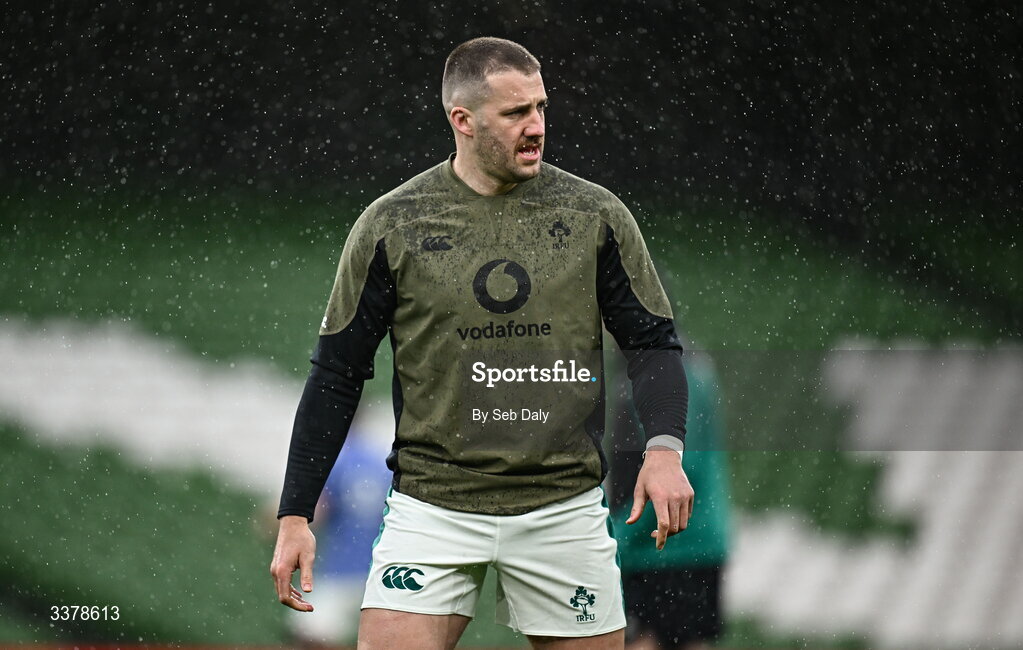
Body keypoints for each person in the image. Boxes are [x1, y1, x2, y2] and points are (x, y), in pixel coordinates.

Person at [270, 37, 695, 650]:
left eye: (541, 108)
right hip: (433, 506)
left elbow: (653, 343)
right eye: (516, 112)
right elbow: (336, 373)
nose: (537, 126)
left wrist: (663, 448)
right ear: (462, 121)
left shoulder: (594, 216)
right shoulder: (393, 225)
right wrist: (296, 514)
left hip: (562, 506)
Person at [609, 350, 731, 650]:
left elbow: (677, 470)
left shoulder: (670, 372)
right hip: (682, 542)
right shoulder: (677, 366)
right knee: (681, 640)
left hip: (667, 544)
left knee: (645, 640)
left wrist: (623, 532)